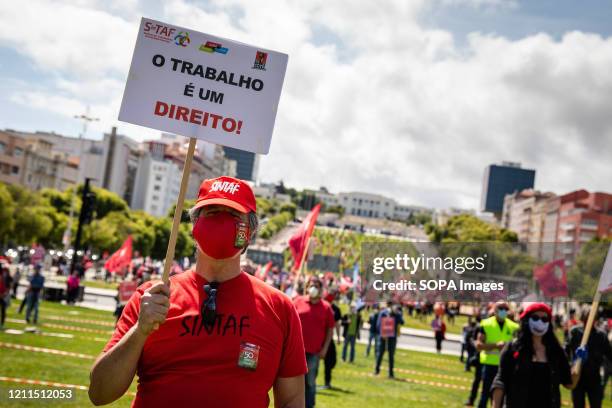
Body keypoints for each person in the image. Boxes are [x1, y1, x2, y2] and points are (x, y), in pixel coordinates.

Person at [89, 176, 307, 407]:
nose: (222, 221)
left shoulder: (279, 308)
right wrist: (140, 331)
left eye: (234, 216)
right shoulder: (153, 296)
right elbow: (100, 393)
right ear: (195, 226)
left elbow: (292, 399)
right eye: (212, 212)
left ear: (250, 232)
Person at [491, 302, 582, 408]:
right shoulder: (513, 348)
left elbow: (570, 383)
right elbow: (500, 381)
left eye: (544, 319)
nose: (540, 322)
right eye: (535, 318)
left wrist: (578, 362)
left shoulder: (556, 351)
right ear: (526, 320)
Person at [294, 275, 335, 408]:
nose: (313, 288)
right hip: (295, 350)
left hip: (314, 352)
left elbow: (330, 329)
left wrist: (325, 349)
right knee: (292, 381)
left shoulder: (326, 308)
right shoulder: (297, 301)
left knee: (310, 383)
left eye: (317, 286)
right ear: (307, 287)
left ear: (321, 289)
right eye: (311, 285)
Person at [475, 301, 519, 408]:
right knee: (485, 394)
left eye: (505, 309)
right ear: (494, 310)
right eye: (500, 308)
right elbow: (479, 345)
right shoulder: (486, 324)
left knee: (502, 398)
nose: (503, 311)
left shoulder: (514, 327)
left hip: (507, 367)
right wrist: (495, 345)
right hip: (490, 364)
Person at [566, 310, 612, 408]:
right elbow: (565, 351)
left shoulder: (601, 335)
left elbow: (610, 354)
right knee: (578, 404)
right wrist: (571, 363)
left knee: (596, 404)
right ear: (583, 318)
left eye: (592, 318)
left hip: (594, 378)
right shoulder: (575, 332)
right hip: (577, 377)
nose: (589, 321)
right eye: (586, 318)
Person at [375, 301, 404, 378]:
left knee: (391, 355)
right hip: (383, 336)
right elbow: (378, 325)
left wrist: (397, 314)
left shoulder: (397, 314)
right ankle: (376, 370)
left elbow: (402, 322)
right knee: (380, 353)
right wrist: (382, 333)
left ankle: (391, 373)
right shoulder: (383, 313)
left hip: (392, 337)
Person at [322, 292, 342, 389]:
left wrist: (338, 337)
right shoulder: (320, 306)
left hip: (329, 338)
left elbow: (337, 324)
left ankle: (327, 382)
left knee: (331, 361)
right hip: (318, 338)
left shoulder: (336, 309)